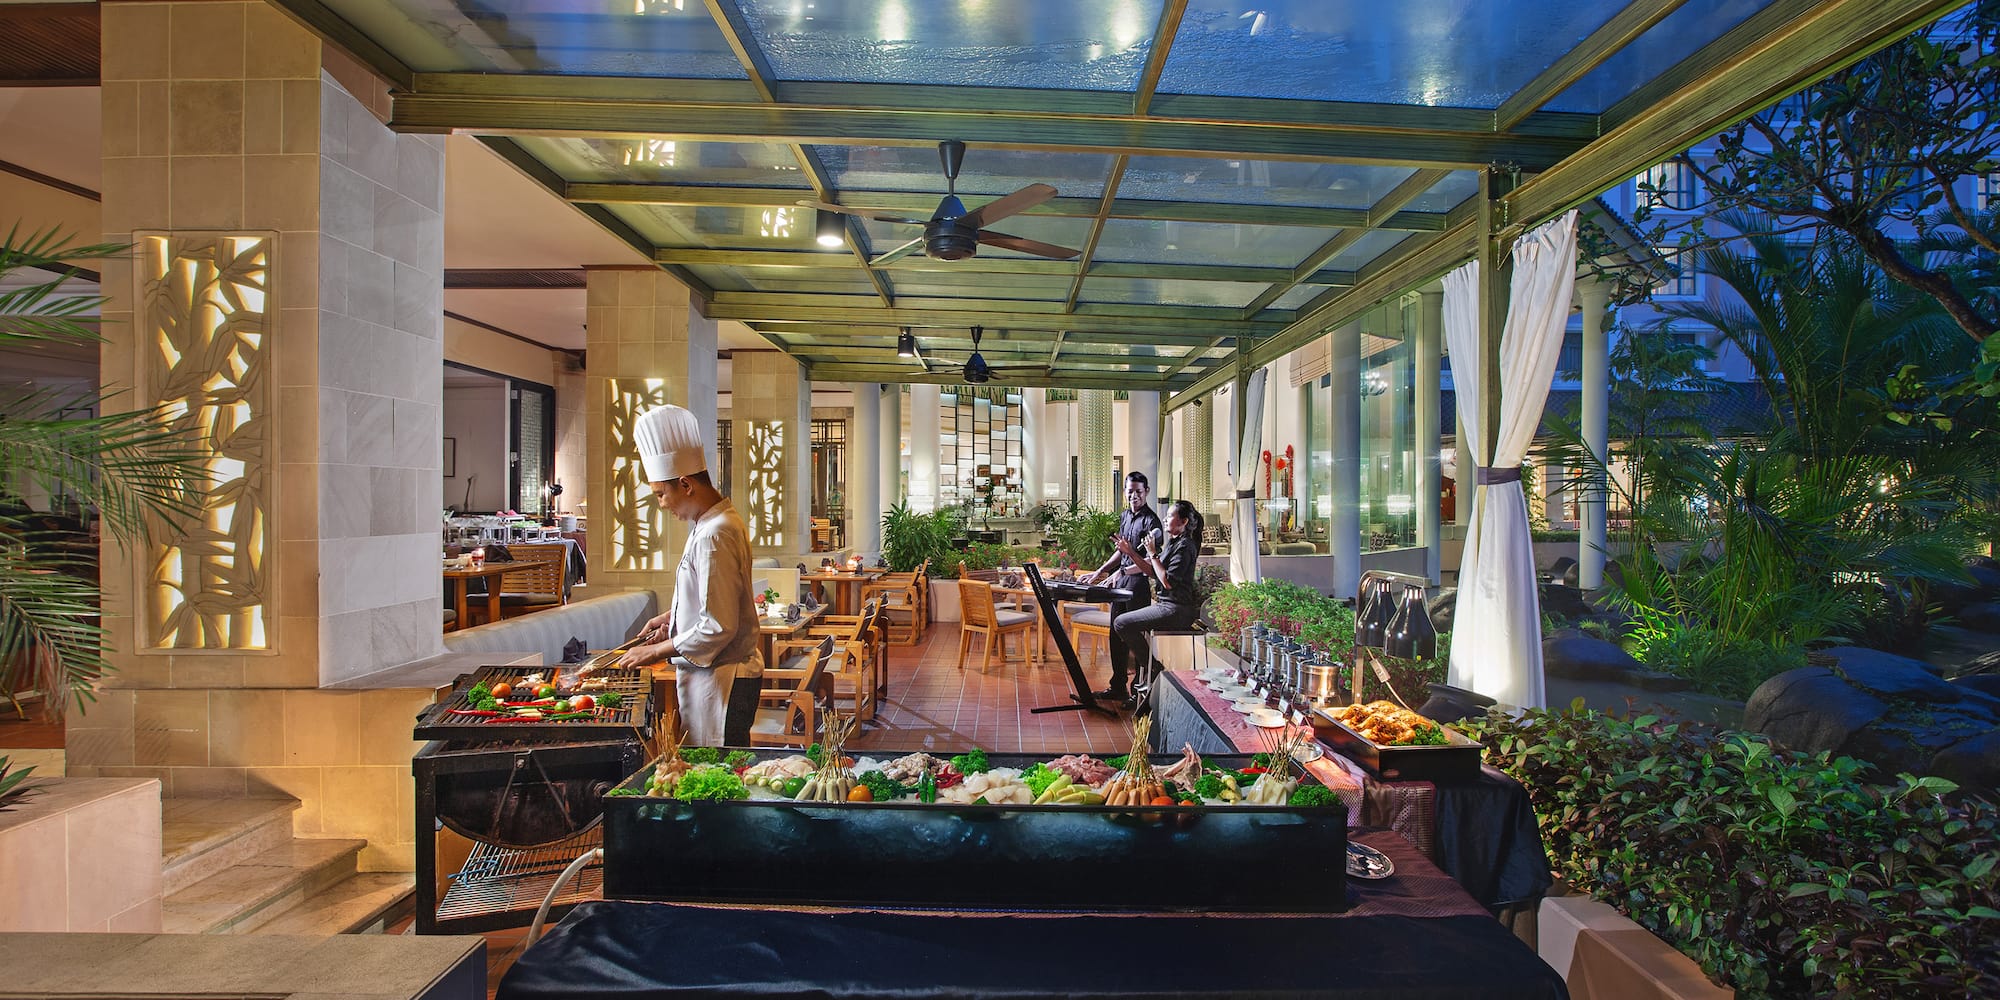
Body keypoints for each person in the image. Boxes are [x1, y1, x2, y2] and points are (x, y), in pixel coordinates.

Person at [596, 404, 762, 747]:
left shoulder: (715, 532)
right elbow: (715, 599)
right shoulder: (714, 522)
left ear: (685, 484)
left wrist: (655, 652)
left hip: (724, 681)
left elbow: (719, 625)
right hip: (718, 676)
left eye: (660, 493)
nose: (661, 503)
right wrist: (672, 618)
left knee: (719, 780)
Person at [1110, 499, 1204, 706]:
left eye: (1170, 516)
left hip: (1176, 609)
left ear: (1184, 521)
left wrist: (1152, 552)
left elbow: (1167, 581)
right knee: (1122, 622)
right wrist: (1131, 553)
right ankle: (1148, 675)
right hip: (1166, 605)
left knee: (1121, 623)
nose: (1164, 519)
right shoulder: (1175, 542)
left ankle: (1154, 670)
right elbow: (1153, 571)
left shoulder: (1185, 546)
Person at [1080, 471, 1162, 706]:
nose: (1134, 495)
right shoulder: (1126, 515)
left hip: (1137, 585)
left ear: (1146, 491)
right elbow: (1121, 549)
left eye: (1138, 491)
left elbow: (1148, 563)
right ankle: (1117, 687)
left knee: (1135, 638)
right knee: (1116, 635)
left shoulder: (1152, 522)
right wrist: (1100, 571)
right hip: (1120, 582)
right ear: (1124, 492)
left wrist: (1125, 565)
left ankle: (1138, 691)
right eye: (1130, 491)